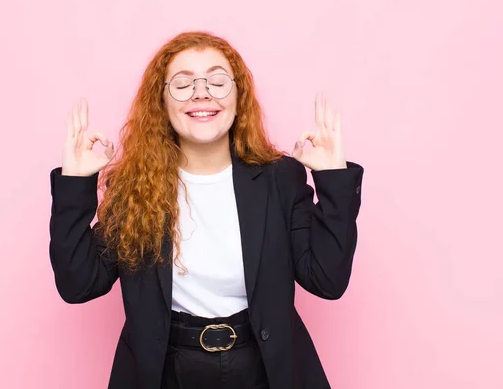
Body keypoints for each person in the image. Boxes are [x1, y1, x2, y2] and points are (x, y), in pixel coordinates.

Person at [48, 31, 364, 389]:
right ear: (162, 102)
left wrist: (332, 178)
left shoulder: (280, 178)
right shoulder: (134, 186)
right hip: (166, 371)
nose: (201, 92)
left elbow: (327, 280)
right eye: (183, 84)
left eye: (216, 81)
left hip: (265, 369)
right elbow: (79, 285)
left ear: (237, 95)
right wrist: (76, 183)